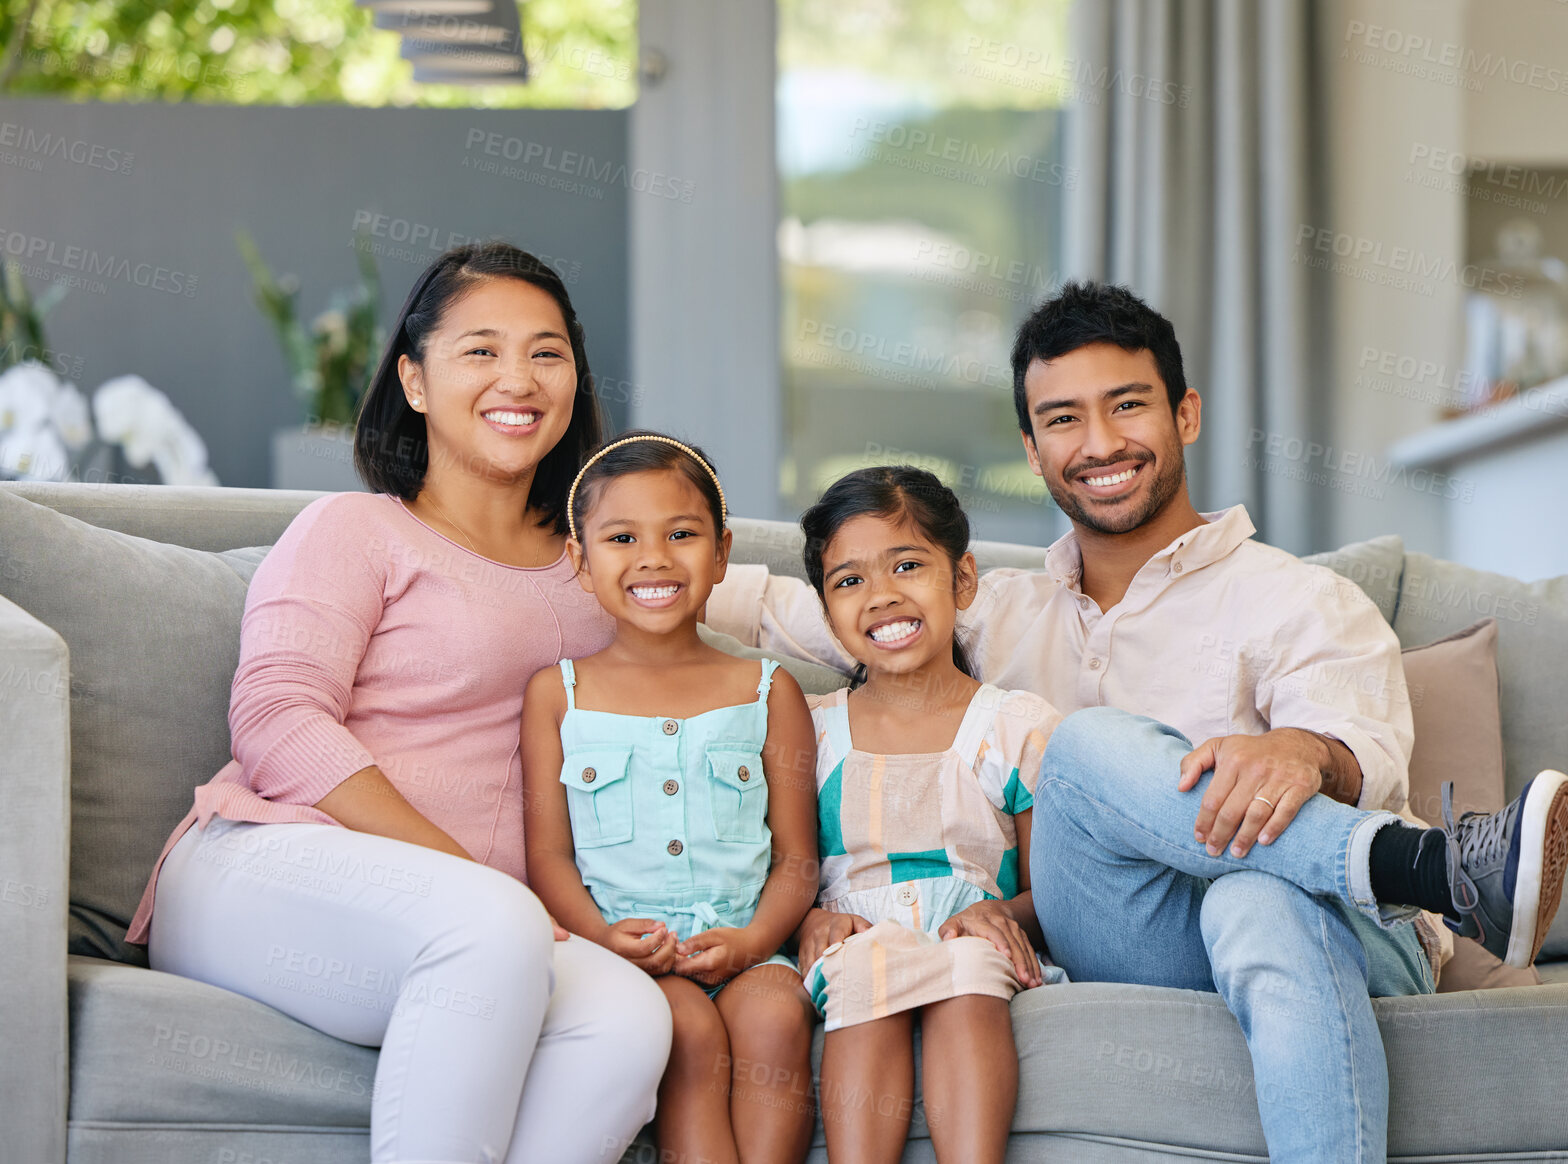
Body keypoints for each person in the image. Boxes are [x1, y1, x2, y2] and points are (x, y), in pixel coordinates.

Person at [705, 281, 1568, 1162]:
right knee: (1082, 746)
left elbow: (1369, 759)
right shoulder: (979, 608)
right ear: (1031, 446)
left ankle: (1426, 878)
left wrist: (1301, 751)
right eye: (1062, 419)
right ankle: (1438, 868)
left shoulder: (1299, 597)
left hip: (1341, 927)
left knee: (1253, 896)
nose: (1097, 445)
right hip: (1131, 932)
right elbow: (767, 598)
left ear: (1185, 413)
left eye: (1126, 406)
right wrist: (592, 537)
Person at [126, 243, 672, 1164]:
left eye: (547, 353)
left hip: (481, 921)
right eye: (480, 351)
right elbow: (276, 718)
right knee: (491, 929)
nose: (519, 378)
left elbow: (766, 604)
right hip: (265, 864)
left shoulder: (608, 566)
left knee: (626, 1016)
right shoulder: (357, 529)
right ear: (414, 380)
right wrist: (475, 879)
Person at [520, 431, 821, 1164]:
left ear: (720, 554)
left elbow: (797, 862)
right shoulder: (557, 695)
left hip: (746, 948)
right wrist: (598, 934)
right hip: (631, 953)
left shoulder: (767, 690)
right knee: (683, 1032)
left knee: (778, 1019)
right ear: (579, 562)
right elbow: (549, 855)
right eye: (622, 537)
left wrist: (753, 944)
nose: (653, 557)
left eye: (680, 534)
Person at [791, 466, 1064, 1164]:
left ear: (962, 579)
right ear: (826, 612)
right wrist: (807, 917)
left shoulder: (1016, 726)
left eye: (907, 565)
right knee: (865, 965)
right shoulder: (809, 732)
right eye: (848, 580)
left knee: (969, 967)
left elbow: (1057, 891)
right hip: (857, 932)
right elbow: (778, 868)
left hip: (969, 927)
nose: (881, 596)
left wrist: (1009, 915)